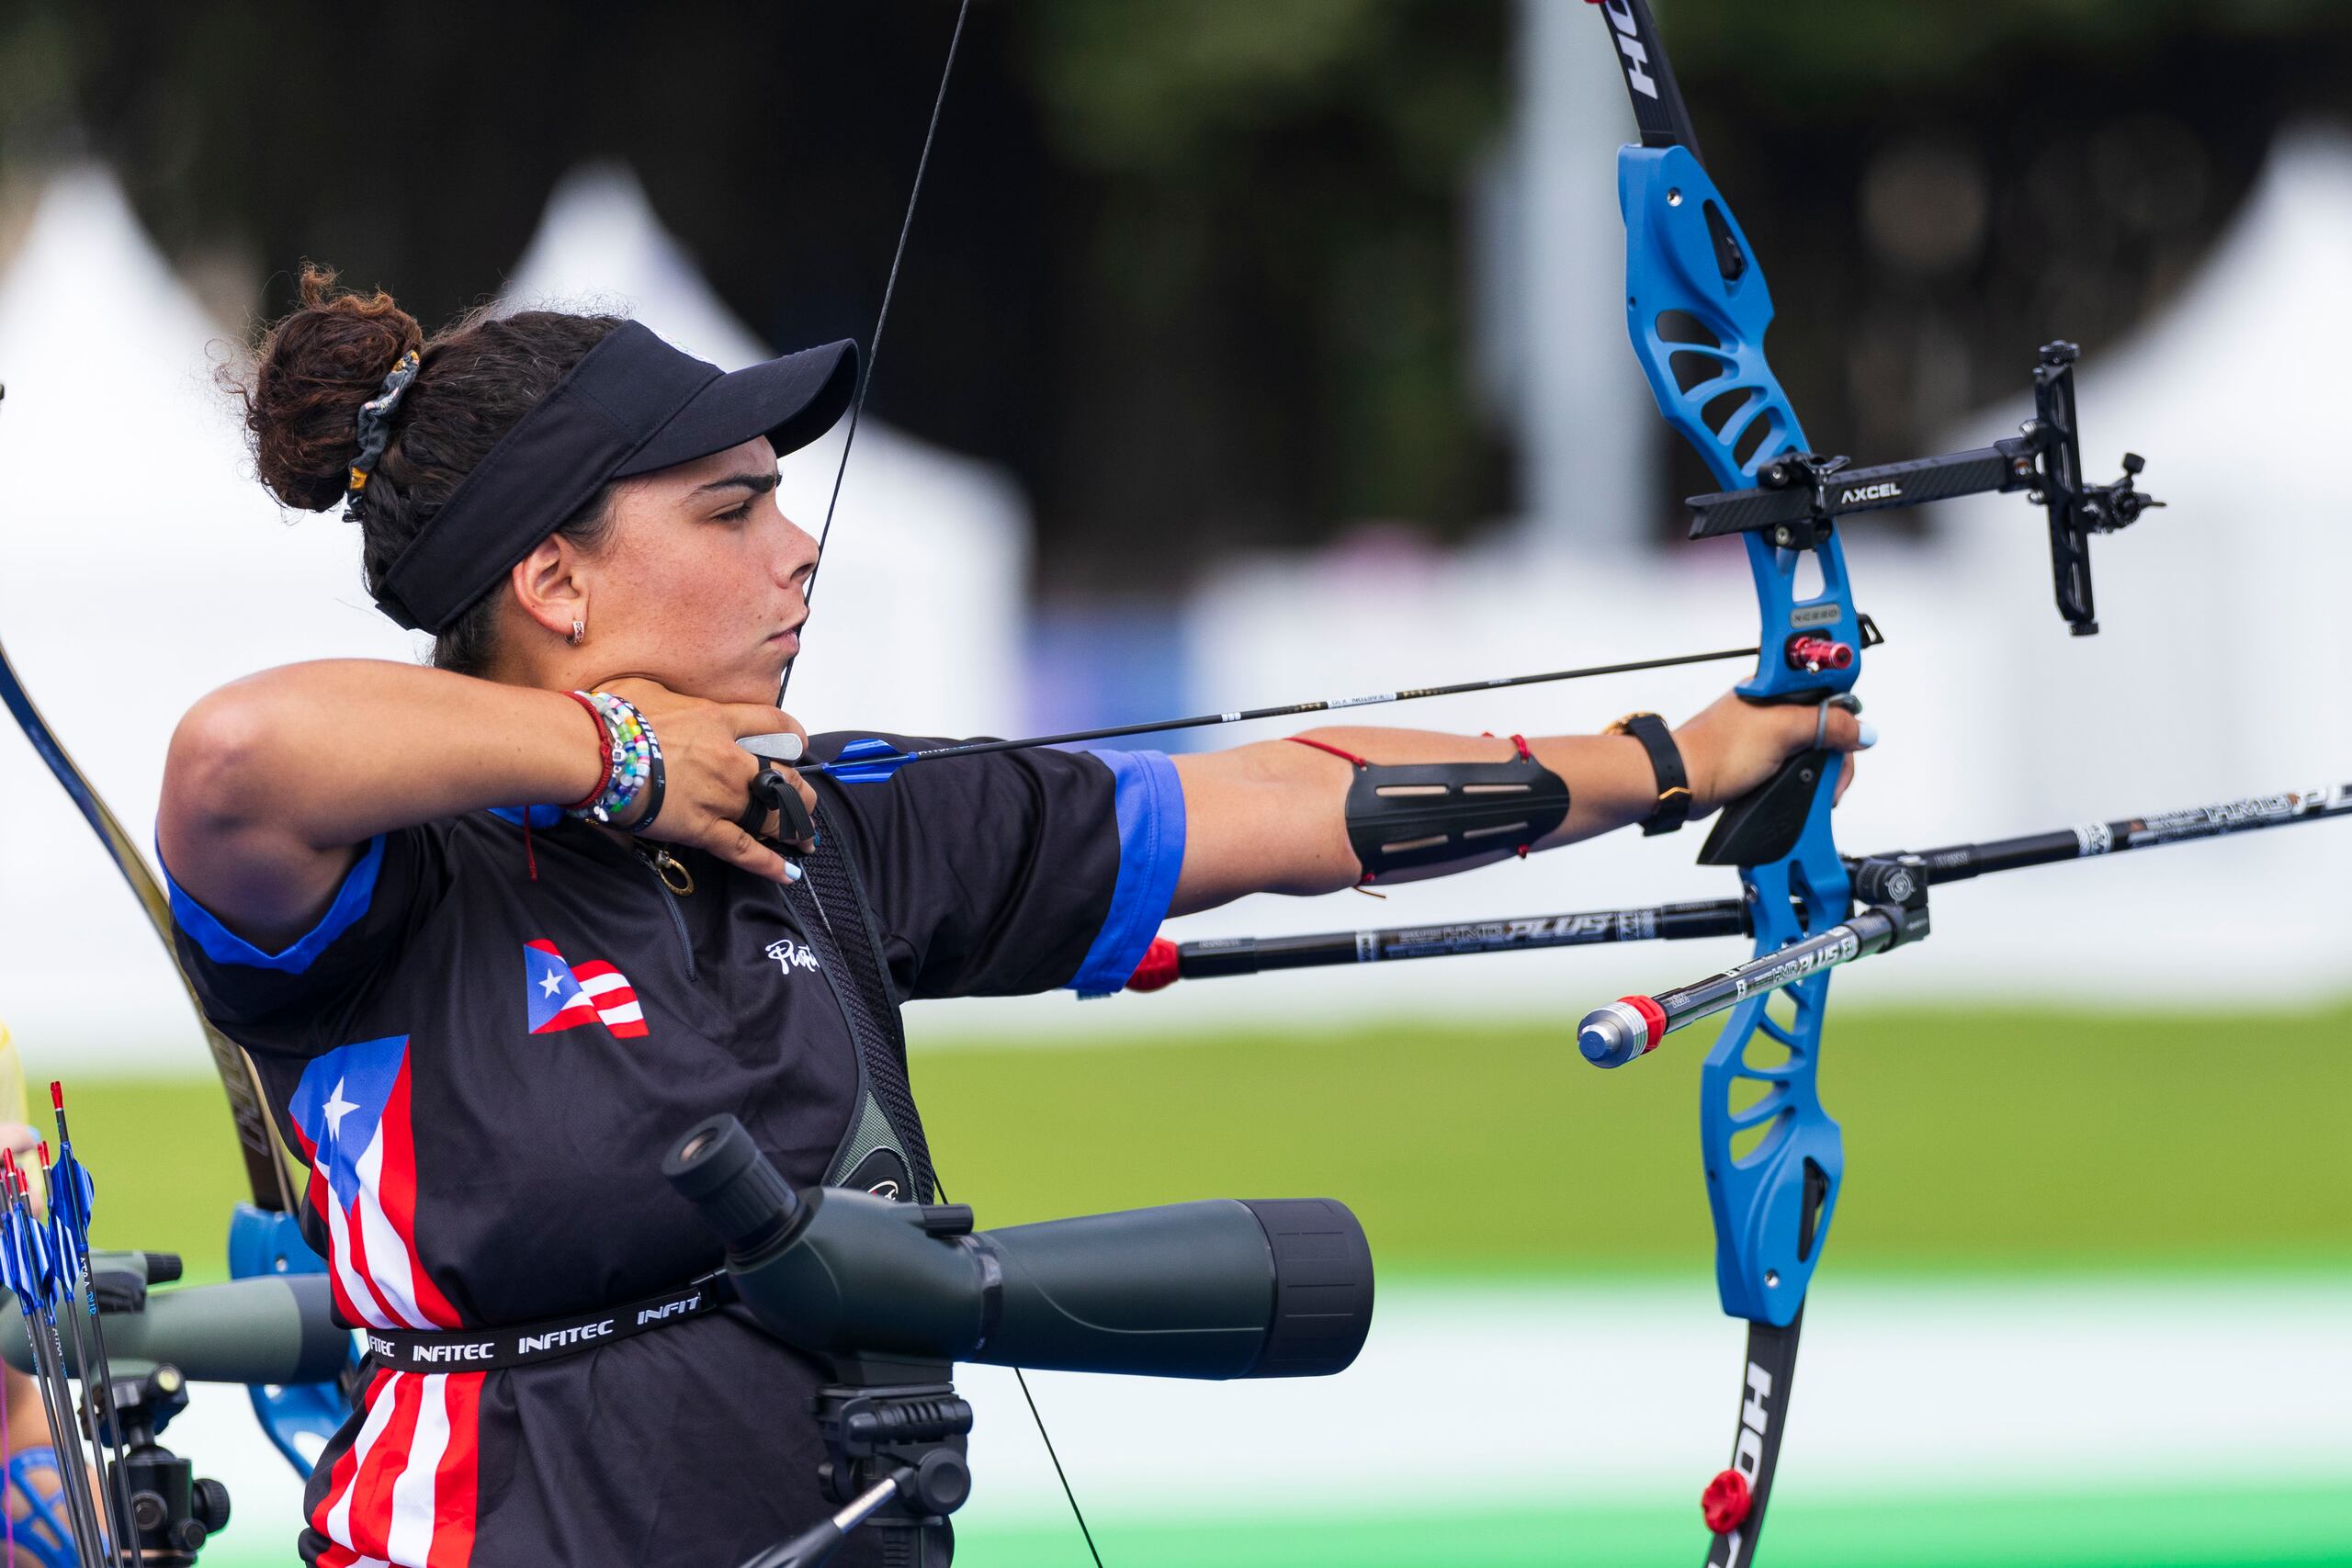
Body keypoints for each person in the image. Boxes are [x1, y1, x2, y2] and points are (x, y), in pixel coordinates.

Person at [156, 267, 1869, 1567]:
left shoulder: (826, 820)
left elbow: (1275, 805)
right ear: (554, 577)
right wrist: (607, 756)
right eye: (734, 506)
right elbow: (239, 755)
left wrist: (1667, 757)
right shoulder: (396, 880)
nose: (798, 549)